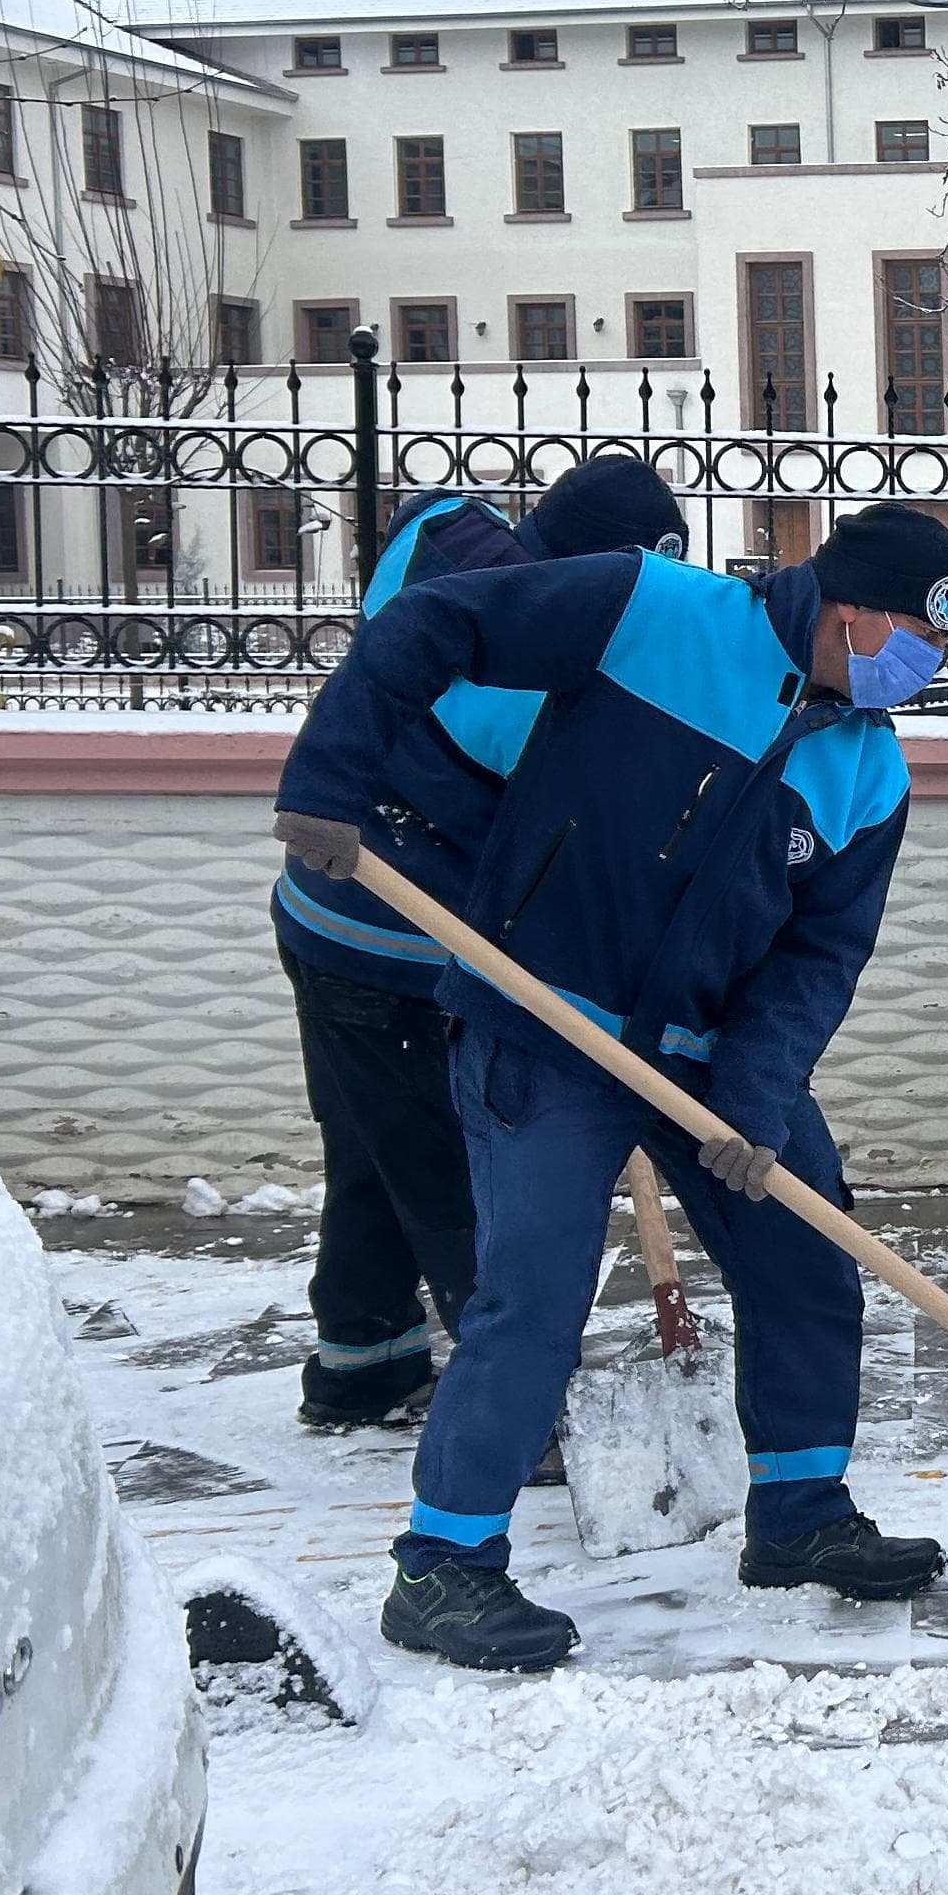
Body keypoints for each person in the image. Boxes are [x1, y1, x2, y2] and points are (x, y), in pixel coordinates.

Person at [271, 499, 948, 1671]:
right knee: (533, 1299)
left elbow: (817, 960)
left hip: (707, 1054)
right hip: (549, 1023)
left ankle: (798, 1516)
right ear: (848, 609)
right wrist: (330, 781)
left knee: (809, 1256)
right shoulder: (653, 611)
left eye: (942, 653)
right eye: (916, 640)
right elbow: (436, 626)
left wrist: (755, 1099)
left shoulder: (871, 772)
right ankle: (443, 1567)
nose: (923, 670)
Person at [268, 456, 687, 1433]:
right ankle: (516, 1414)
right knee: (452, 1181)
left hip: (317, 919)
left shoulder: (435, 541)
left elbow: (437, 503)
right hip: (405, 952)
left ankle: (362, 1365)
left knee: (375, 1153)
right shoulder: (535, 691)